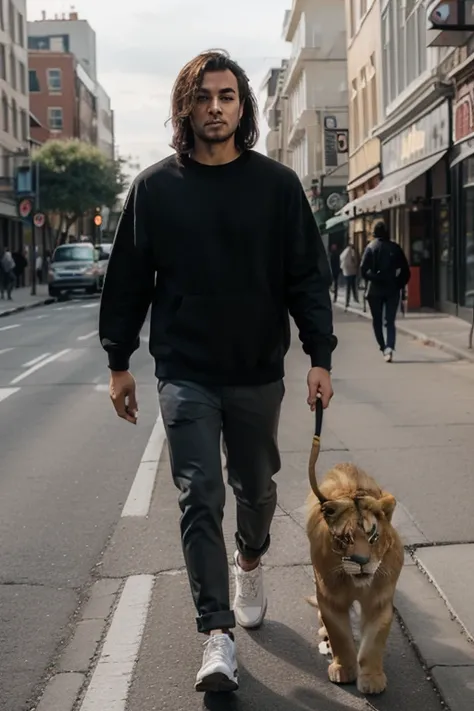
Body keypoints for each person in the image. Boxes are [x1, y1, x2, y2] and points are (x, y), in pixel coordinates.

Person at [99, 49, 336, 693]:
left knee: (255, 489)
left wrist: (321, 355)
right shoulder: (154, 188)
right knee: (199, 491)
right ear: (186, 105)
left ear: (242, 106)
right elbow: (126, 280)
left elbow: (306, 278)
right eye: (203, 97)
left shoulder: (277, 187)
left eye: (226, 96)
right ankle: (216, 633)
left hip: (258, 368)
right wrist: (119, 362)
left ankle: (251, 557)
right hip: (186, 370)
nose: (214, 107)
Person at [360, 221, 410, 362]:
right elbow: (406, 271)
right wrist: (398, 283)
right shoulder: (395, 248)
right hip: (392, 289)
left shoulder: (370, 248)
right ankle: (389, 347)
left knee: (377, 321)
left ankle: (383, 347)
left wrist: (374, 278)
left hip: (374, 290)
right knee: (389, 321)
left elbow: (363, 270)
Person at [339, 240, 359, 309]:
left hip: (346, 271)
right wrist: (355, 265)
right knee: (353, 286)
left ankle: (347, 301)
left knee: (348, 286)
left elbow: (341, 258)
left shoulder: (345, 251)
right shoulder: (352, 251)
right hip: (352, 271)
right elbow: (354, 260)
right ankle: (355, 298)